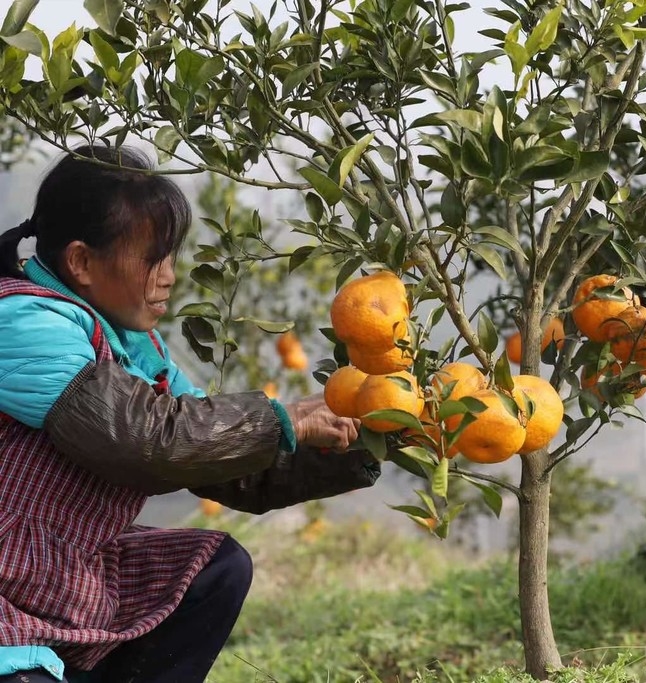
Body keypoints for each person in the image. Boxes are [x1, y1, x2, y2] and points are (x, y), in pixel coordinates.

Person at [0, 145, 382, 682]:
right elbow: (145, 441)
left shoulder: (135, 343)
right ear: (82, 261)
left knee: (217, 569)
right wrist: (285, 418)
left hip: (54, 571)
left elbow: (216, 453)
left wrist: (380, 430)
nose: (169, 277)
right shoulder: (22, 322)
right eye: (152, 258)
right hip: (10, 584)